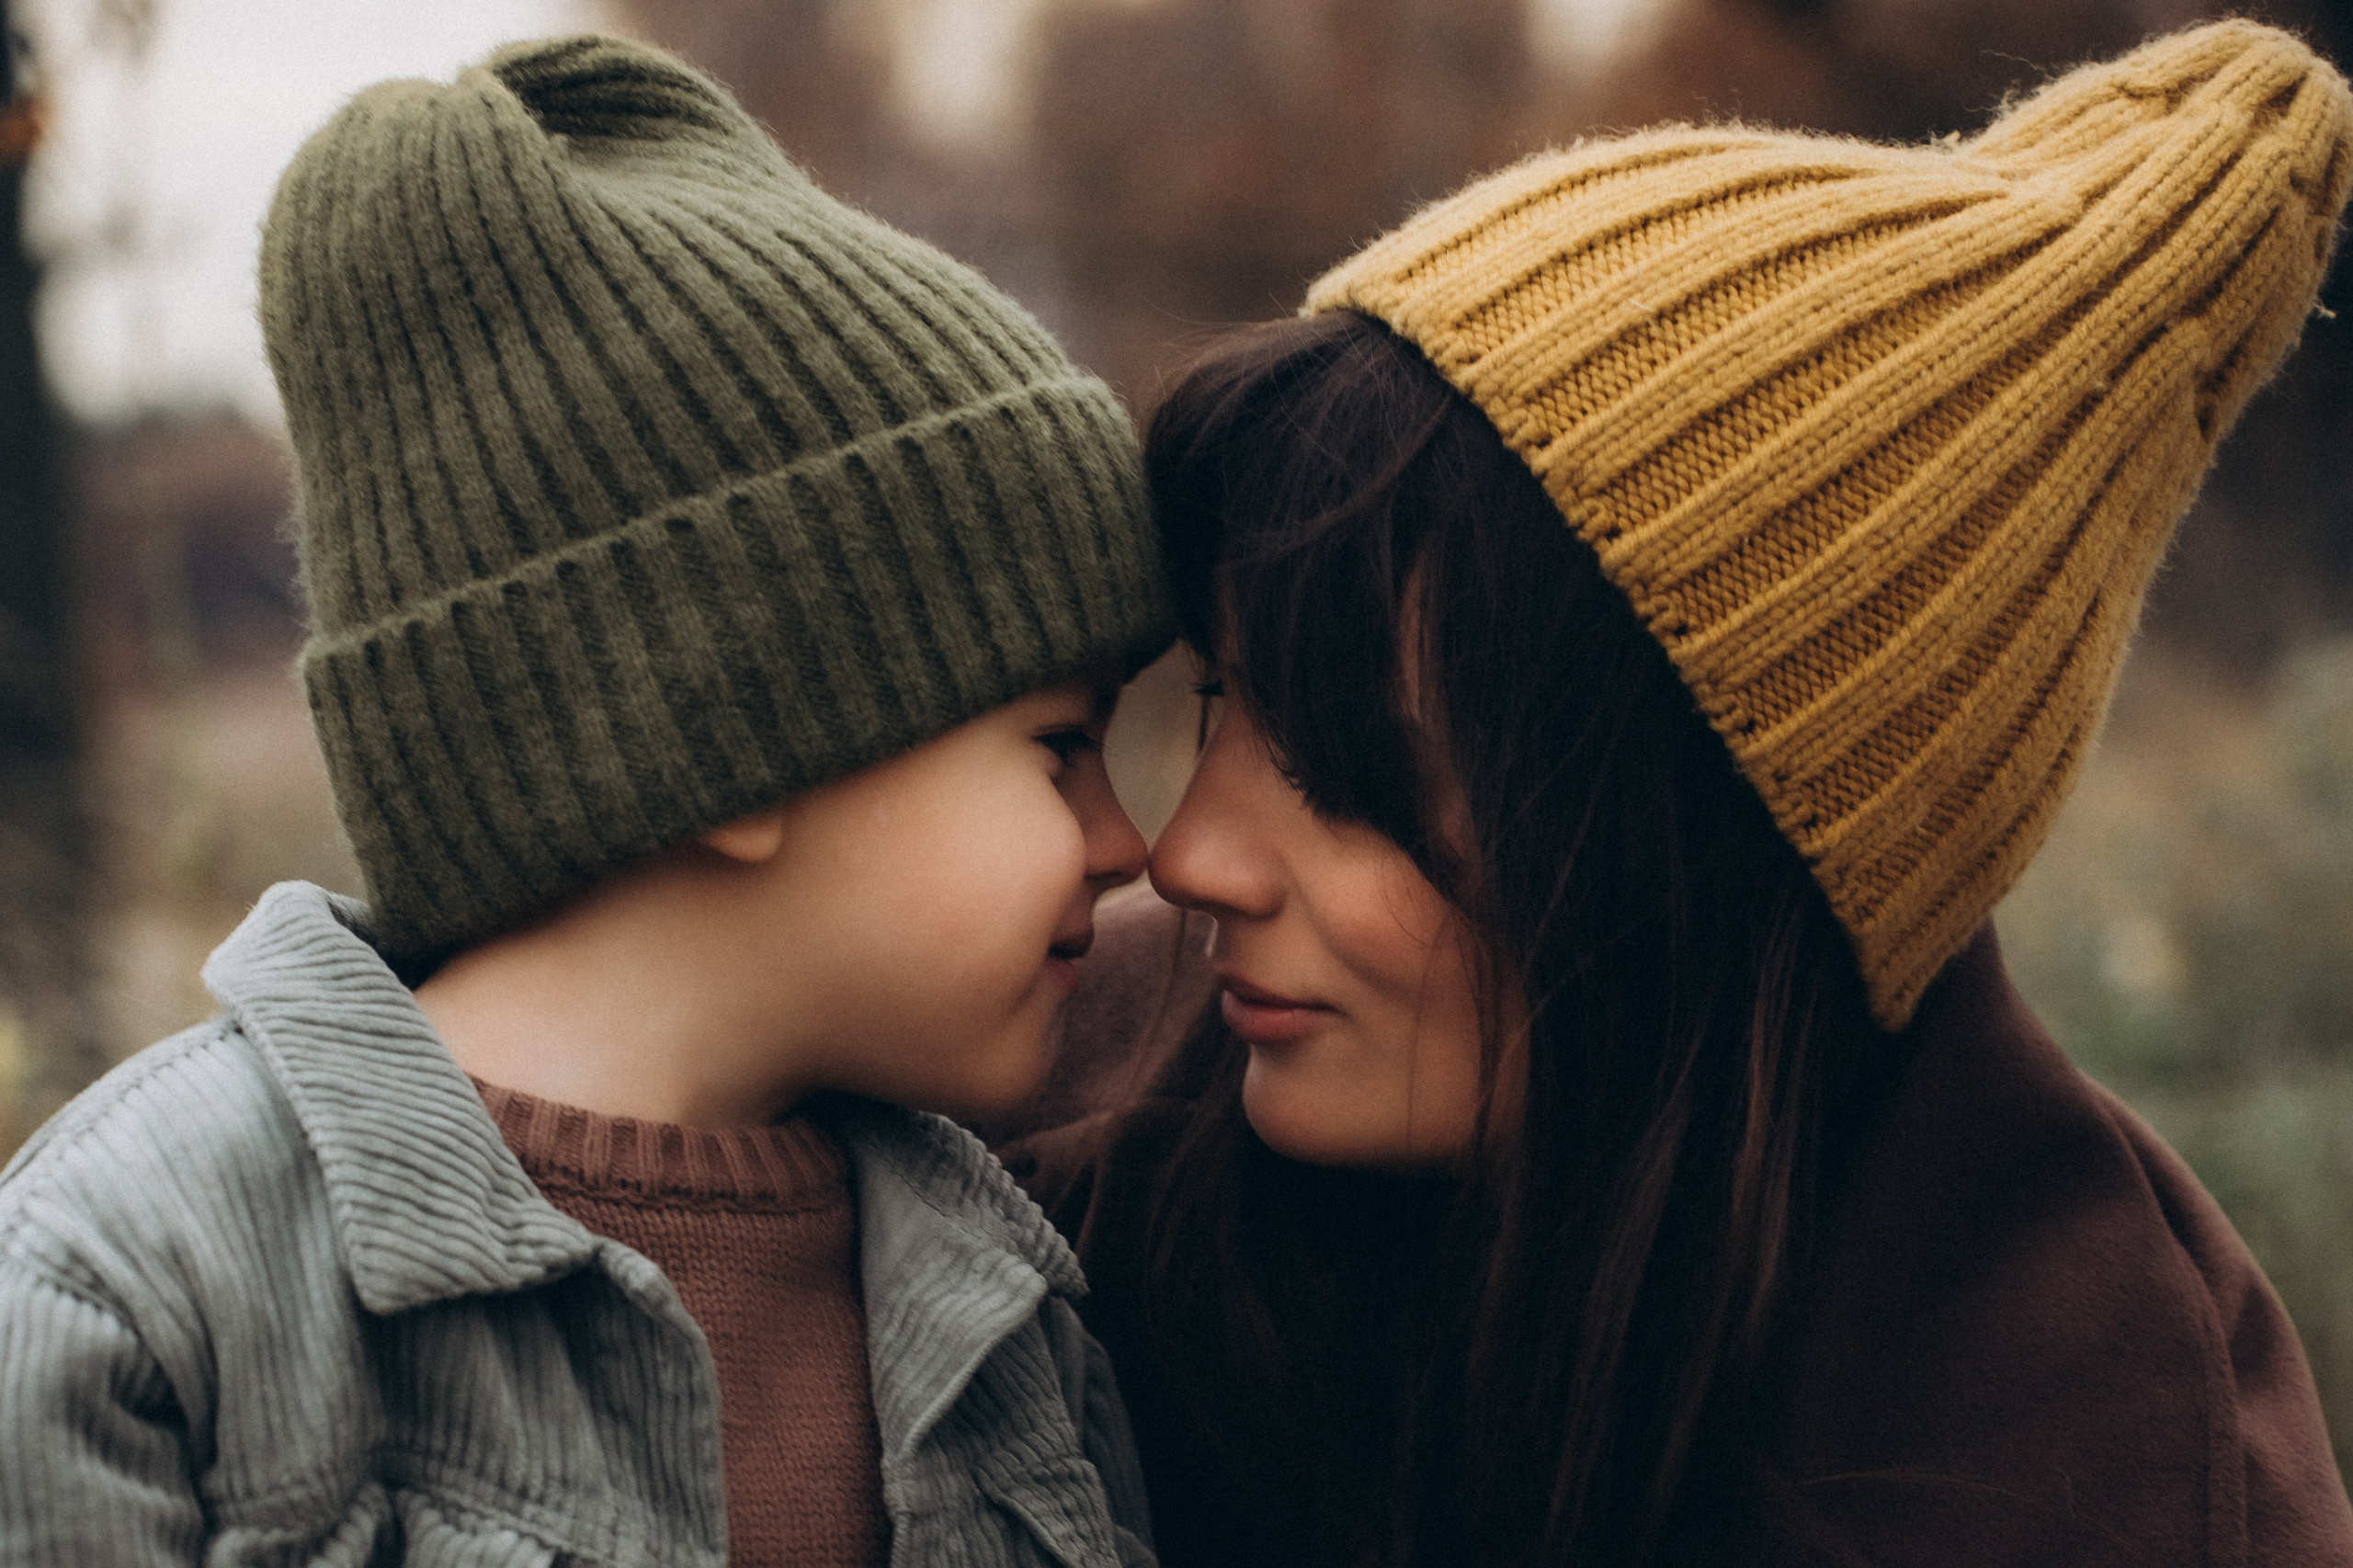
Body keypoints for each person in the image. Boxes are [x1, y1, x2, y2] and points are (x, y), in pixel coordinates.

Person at [1002, 19, 2353, 1567]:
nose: (1183, 856)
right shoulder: (1028, 1102)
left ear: (1693, 847)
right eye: (1223, 699)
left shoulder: (2099, 1484)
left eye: (1348, 769)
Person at [0, 35, 1167, 1568]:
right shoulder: (131, 1297)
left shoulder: (1009, 1300)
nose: (1130, 841)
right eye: (1058, 744)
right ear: (740, 728)